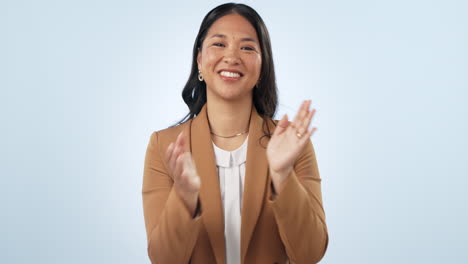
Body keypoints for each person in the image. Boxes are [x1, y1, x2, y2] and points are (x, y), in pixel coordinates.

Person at [142, 3, 328, 264]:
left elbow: (310, 253)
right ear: (199, 60)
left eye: (248, 47)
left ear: (262, 67)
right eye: (219, 44)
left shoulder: (291, 144)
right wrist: (183, 200)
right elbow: (164, 259)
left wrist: (283, 176)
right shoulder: (165, 145)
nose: (232, 57)